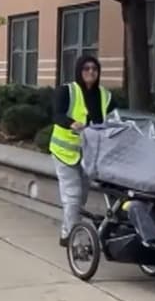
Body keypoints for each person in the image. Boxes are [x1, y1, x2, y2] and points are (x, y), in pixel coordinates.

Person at [48, 54, 114, 247]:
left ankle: (67, 230)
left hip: (89, 155)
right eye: (86, 68)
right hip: (64, 153)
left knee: (81, 197)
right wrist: (71, 123)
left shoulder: (105, 96)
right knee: (73, 195)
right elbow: (57, 115)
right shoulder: (67, 91)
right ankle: (73, 240)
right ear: (79, 71)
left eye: (94, 69)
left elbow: (115, 118)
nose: (91, 72)